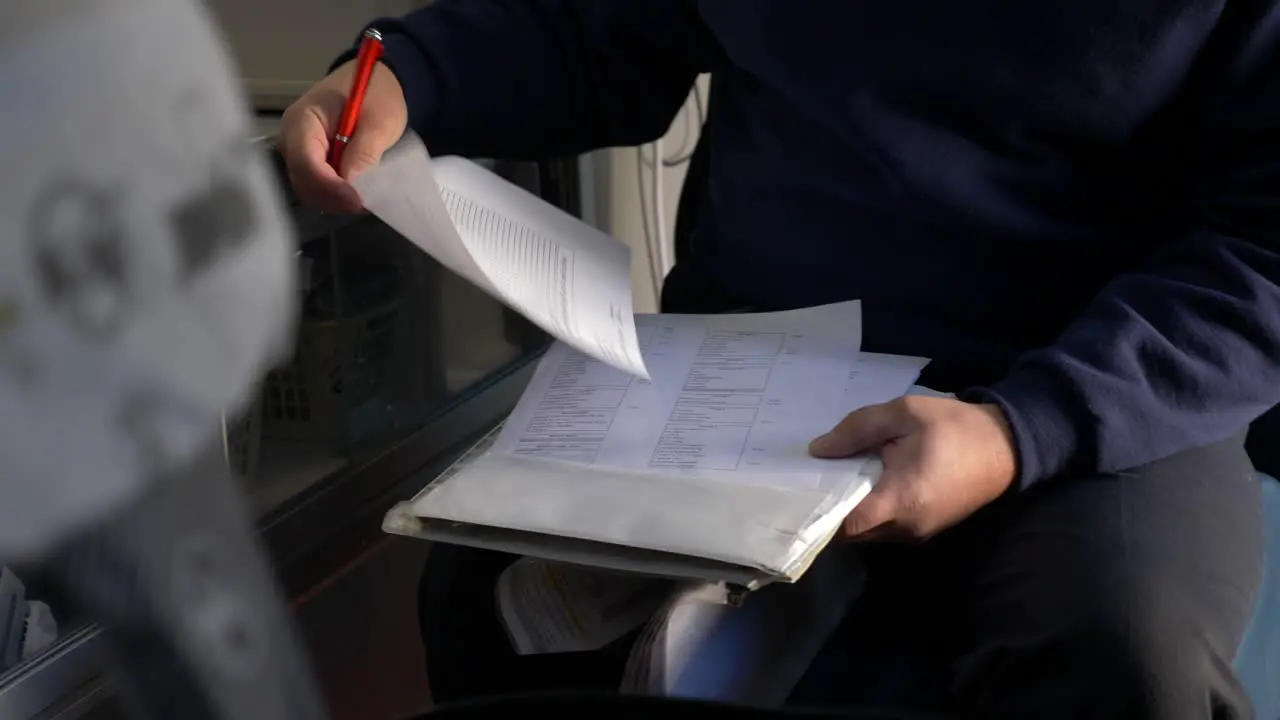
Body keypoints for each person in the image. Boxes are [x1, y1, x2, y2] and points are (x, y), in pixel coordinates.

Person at [278, 2, 1280, 718]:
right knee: (485, 588)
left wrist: (1021, 434)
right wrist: (408, 74)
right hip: (761, 357)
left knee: (1120, 656)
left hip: (1088, 383)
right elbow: (594, 30)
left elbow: (1262, 243)